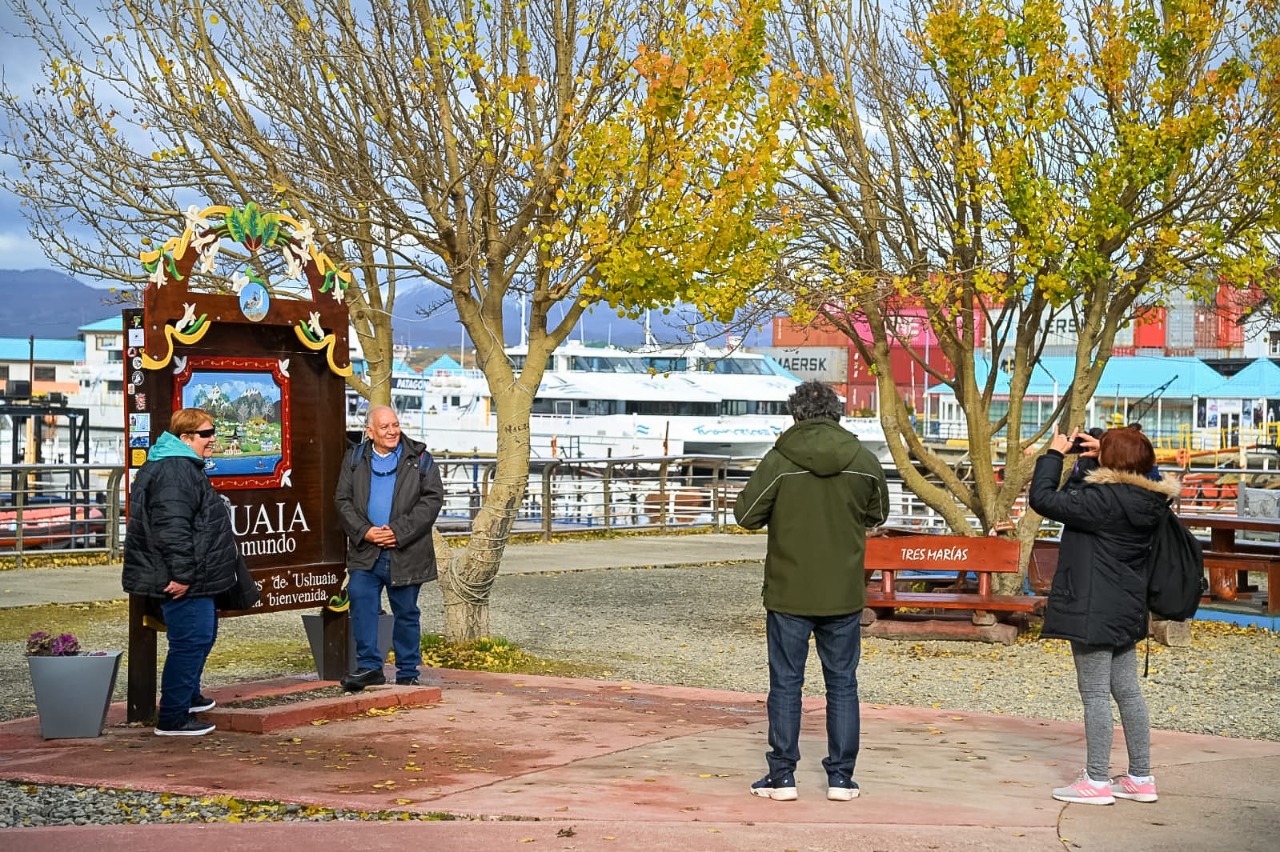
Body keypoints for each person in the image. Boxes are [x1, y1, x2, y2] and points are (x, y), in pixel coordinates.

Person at [733, 380, 889, 802]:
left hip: (789, 590)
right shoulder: (862, 458)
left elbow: (746, 514)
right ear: (837, 412)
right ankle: (841, 778)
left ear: (796, 414)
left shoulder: (781, 459)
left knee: (786, 682)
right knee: (843, 684)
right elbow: (878, 512)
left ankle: (782, 776)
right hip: (842, 590)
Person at [1029, 426, 1177, 806]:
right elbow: (1143, 472)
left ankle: (1096, 780)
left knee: (1095, 693)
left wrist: (1053, 454)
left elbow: (1043, 498)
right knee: (1127, 691)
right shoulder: (1150, 499)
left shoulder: (1100, 502)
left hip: (1092, 607)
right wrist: (1109, 453)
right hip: (1127, 607)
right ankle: (1141, 777)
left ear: (1111, 463)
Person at [123, 408, 239, 737]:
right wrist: (183, 575)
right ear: (185, 438)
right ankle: (173, 717)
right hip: (184, 578)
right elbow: (172, 529)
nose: (213, 438)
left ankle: (188, 696)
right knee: (190, 640)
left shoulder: (180, 466)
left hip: (194, 575)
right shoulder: (176, 470)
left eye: (213, 431)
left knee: (201, 635)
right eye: (206, 434)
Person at [335, 405, 444, 690]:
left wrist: (398, 532)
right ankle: (370, 667)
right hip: (366, 550)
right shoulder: (354, 458)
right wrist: (366, 532)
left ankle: (408, 671)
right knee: (361, 601)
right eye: (384, 427)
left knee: (406, 611)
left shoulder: (420, 459)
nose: (392, 431)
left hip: (406, 551)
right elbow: (342, 501)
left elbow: (431, 500)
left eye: (395, 425)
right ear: (370, 432)